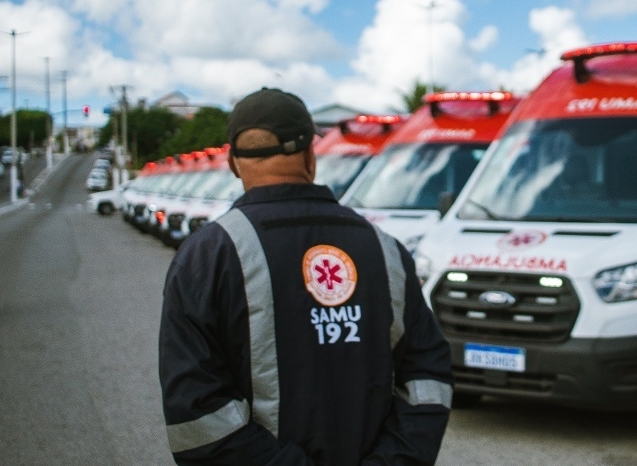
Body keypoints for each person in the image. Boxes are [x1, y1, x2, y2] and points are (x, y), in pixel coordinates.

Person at [159, 88, 453, 465]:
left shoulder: (205, 257)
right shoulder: (385, 250)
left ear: (232, 163)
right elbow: (428, 378)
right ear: (312, 156)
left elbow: (197, 412)